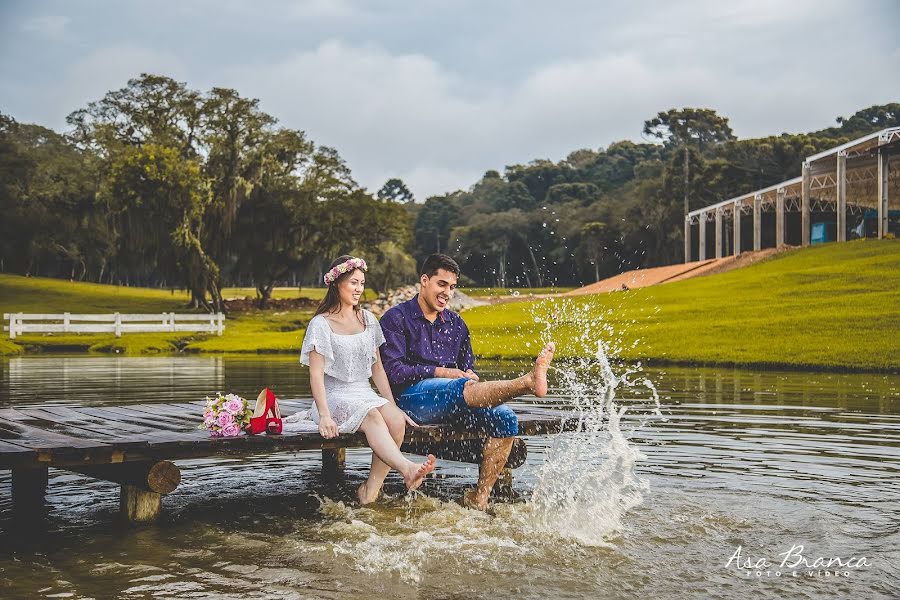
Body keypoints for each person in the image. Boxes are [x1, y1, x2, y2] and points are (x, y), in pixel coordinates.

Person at [379, 254, 555, 511]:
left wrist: (468, 375)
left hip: (457, 398)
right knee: (455, 386)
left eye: (452, 287)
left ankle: (479, 498)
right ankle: (526, 382)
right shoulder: (396, 319)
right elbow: (393, 372)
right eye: (442, 284)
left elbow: (466, 368)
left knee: (506, 418)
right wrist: (442, 372)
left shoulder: (456, 324)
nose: (447, 293)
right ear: (424, 281)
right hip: (410, 402)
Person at [299, 254, 435, 504]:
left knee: (395, 420)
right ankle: (407, 469)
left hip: (364, 393)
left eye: (361, 283)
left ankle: (369, 490)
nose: (359, 289)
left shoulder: (368, 320)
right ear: (337, 283)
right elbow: (316, 374)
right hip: (334, 396)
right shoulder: (320, 324)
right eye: (353, 282)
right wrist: (325, 415)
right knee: (372, 416)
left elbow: (378, 369)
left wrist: (391, 404)